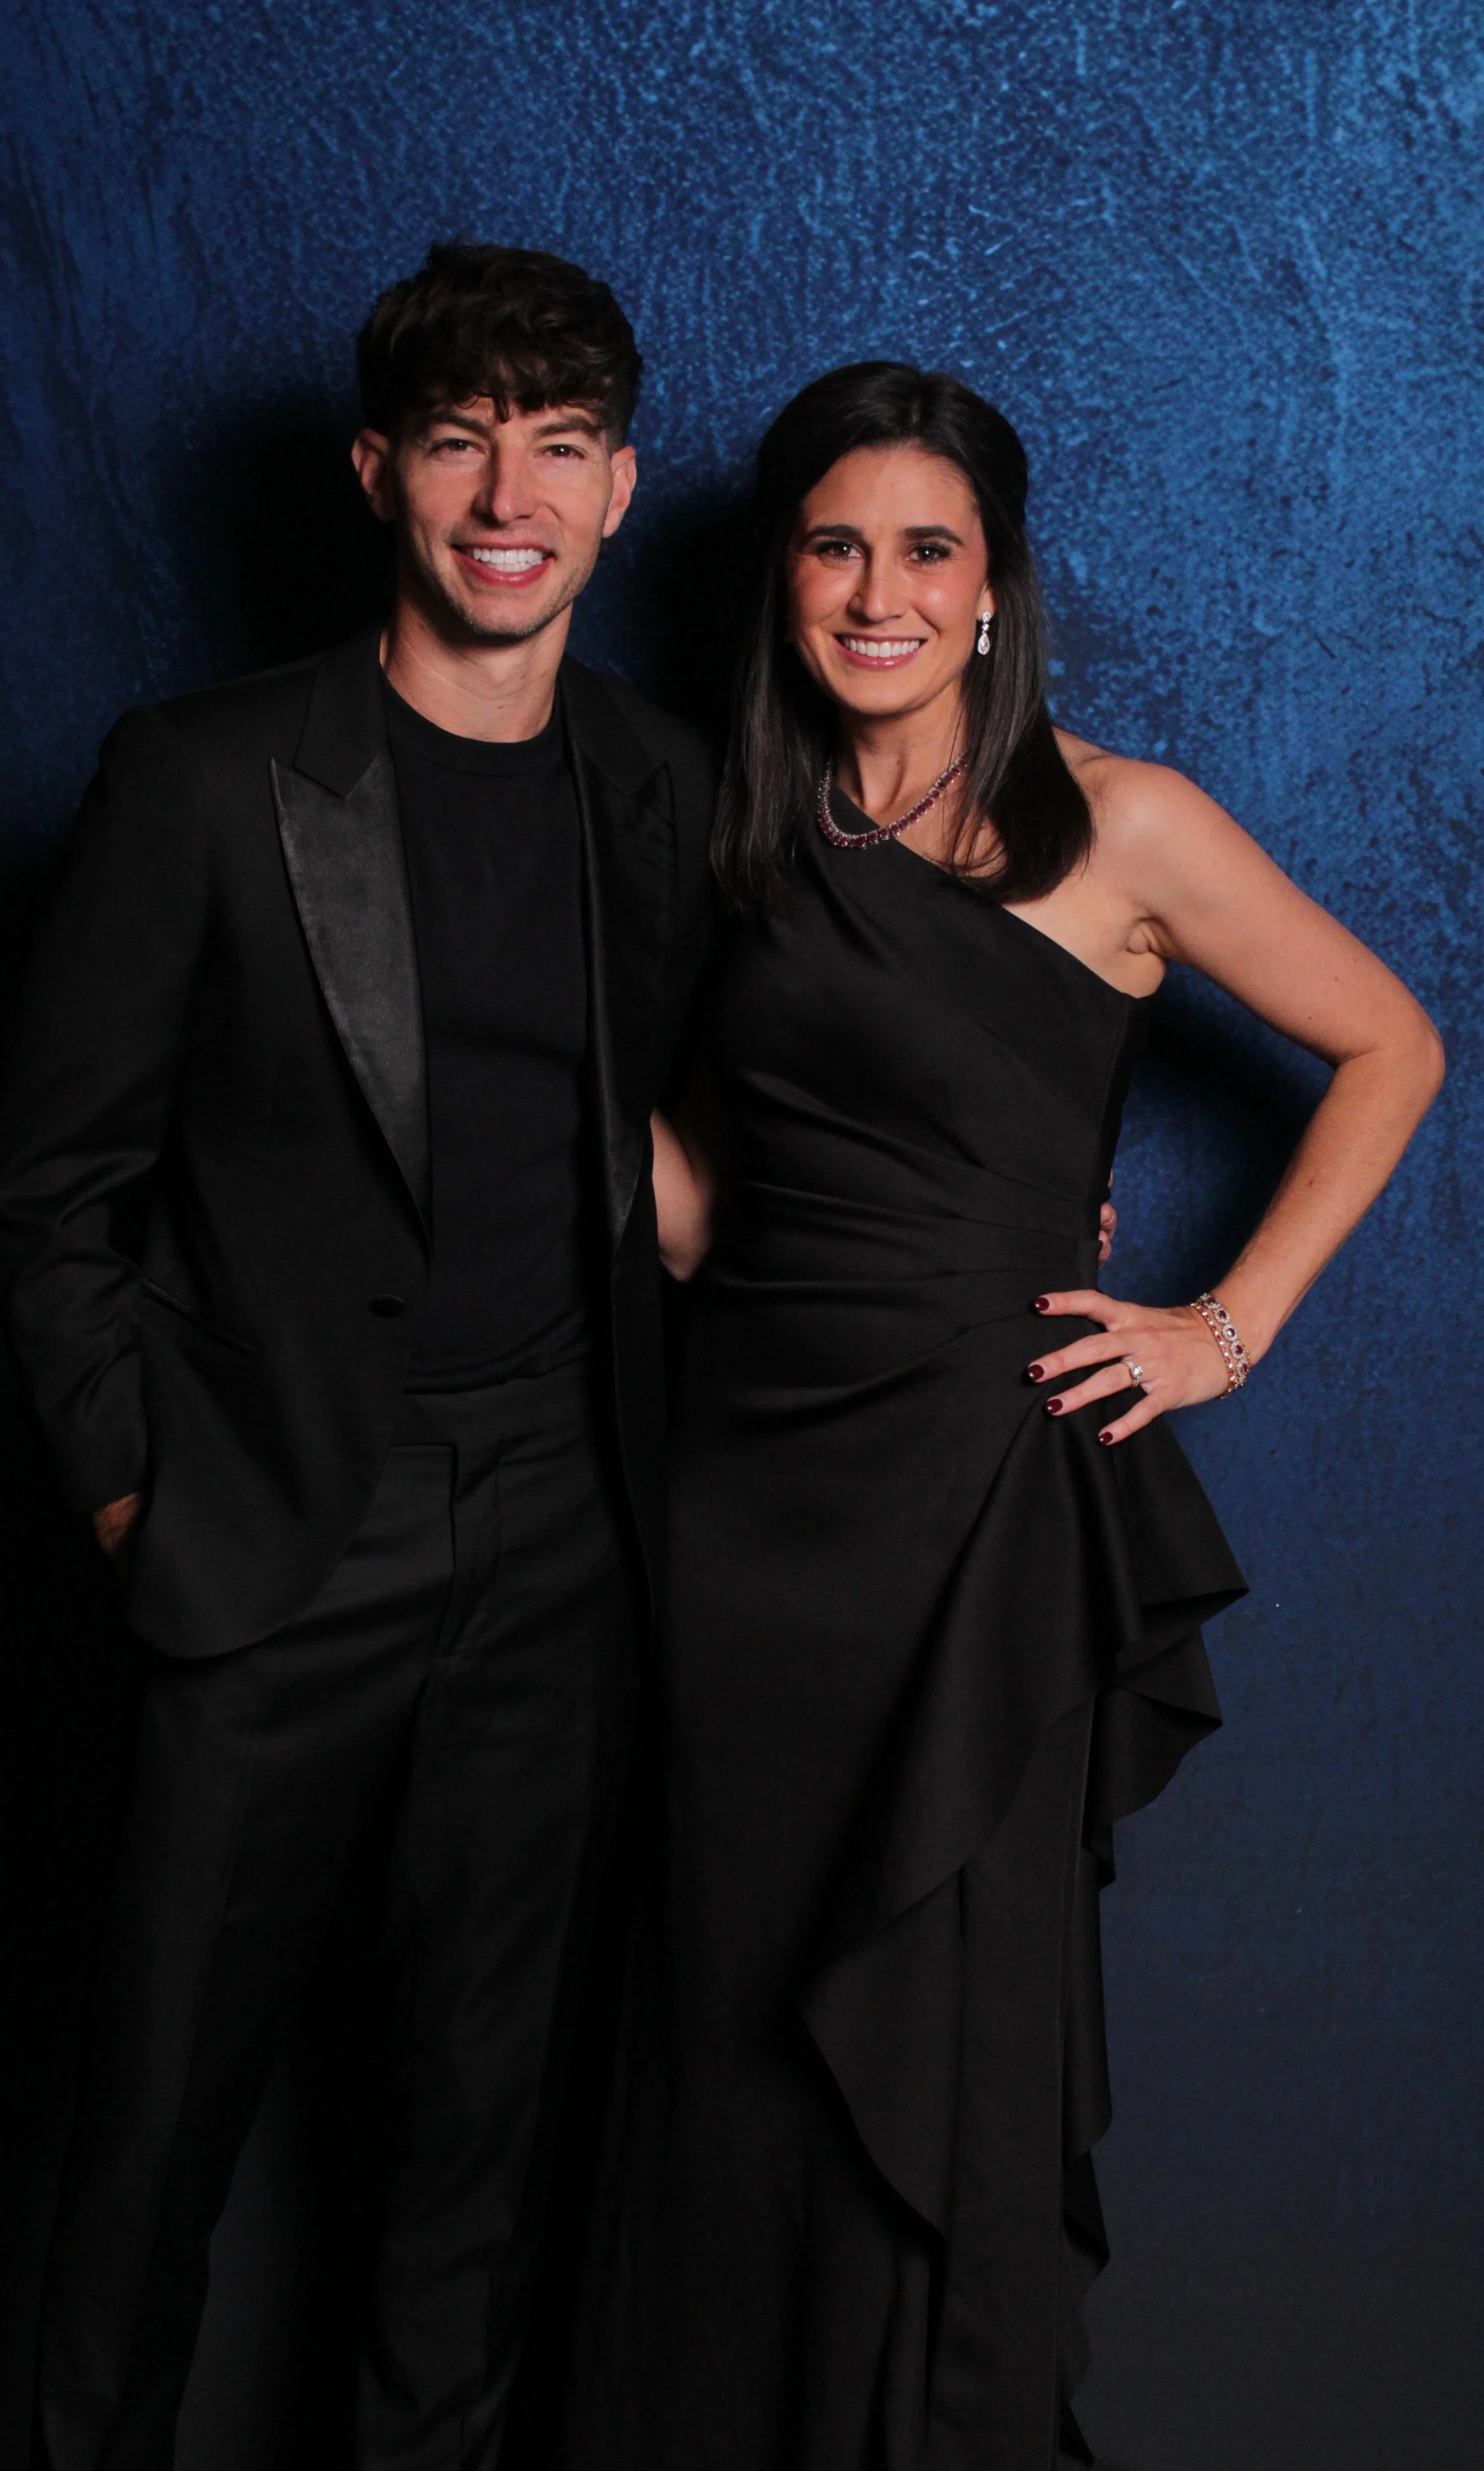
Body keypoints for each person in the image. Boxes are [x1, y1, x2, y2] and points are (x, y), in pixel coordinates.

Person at [568, 362, 1444, 2470]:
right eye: (834, 543)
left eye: (924, 549)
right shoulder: (734, 830)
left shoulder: (1117, 820)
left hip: (973, 1522)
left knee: (949, 2025)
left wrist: (1218, 1329)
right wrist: (516, 1076)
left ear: (991, 592)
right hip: (738, 1514)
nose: (876, 589)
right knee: (720, 2029)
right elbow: (694, 1206)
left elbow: (1391, 1044)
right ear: (784, 578)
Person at [0, 242, 714, 2471]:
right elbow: (48, 1192)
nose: (513, 489)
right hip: (277, 1521)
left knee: (470, 2151)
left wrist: (1013, 1201)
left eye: (562, 444)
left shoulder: (658, 786)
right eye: (466, 435)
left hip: (567, 1532)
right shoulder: (206, 778)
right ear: (378, 468)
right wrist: (141, 1494)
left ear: (615, 490)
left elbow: (809, 1080)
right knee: (148, 2147)